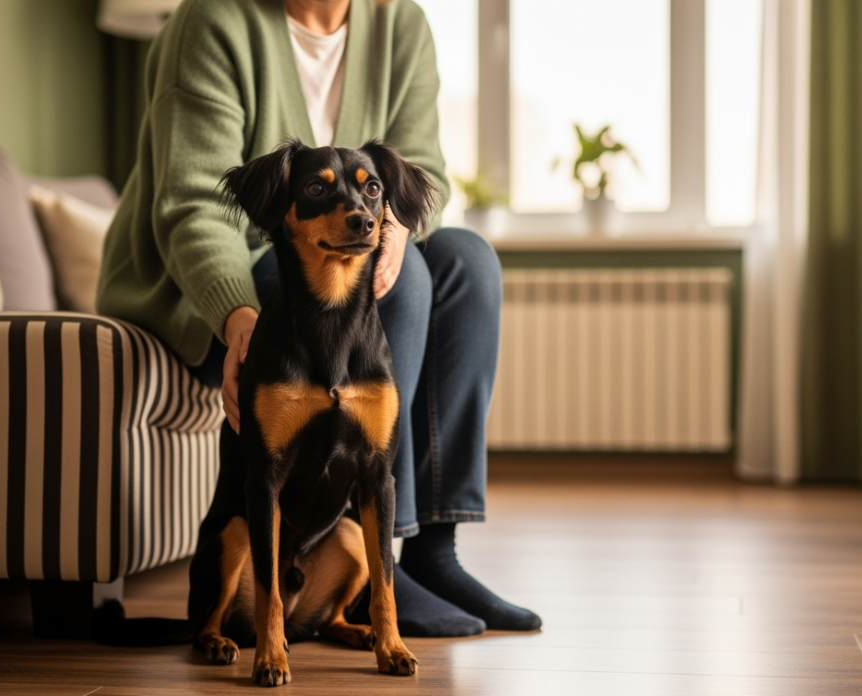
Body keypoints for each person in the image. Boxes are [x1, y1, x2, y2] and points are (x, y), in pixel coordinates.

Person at [96, 0, 540, 636]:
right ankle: (389, 560)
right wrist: (235, 312)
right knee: (407, 278)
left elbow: (423, 174)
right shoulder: (213, 22)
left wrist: (391, 231)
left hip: (348, 254)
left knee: (467, 261)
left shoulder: (399, 23)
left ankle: (434, 551)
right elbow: (194, 202)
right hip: (219, 277)